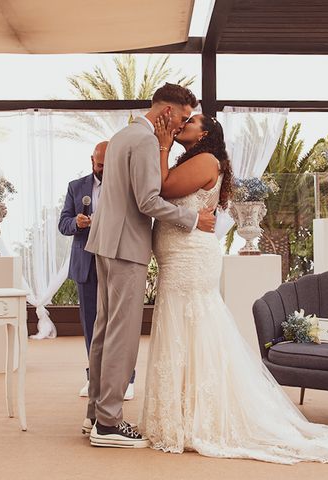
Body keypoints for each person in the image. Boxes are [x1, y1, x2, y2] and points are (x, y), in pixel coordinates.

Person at [138, 113, 328, 468]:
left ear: (205, 133)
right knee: (183, 329)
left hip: (190, 259)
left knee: (194, 328)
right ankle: (178, 414)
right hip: (178, 258)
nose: (182, 124)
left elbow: (162, 188)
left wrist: (163, 144)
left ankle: (196, 418)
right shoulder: (194, 159)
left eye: (190, 121)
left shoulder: (205, 160)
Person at [84, 83, 216, 448]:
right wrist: (192, 220)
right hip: (126, 246)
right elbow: (147, 201)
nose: (182, 125)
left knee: (104, 329)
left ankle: (95, 413)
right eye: (183, 117)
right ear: (168, 113)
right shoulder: (144, 140)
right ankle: (109, 423)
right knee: (122, 335)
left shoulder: (123, 134)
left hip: (106, 242)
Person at [58, 141, 135, 408]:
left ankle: (128, 380)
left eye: (107, 164)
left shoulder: (126, 185)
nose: (102, 169)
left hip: (117, 260)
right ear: (92, 160)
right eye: (99, 164)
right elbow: (63, 224)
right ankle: (94, 378)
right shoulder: (76, 187)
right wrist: (76, 223)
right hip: (87, 264)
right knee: (91, 325)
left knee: (120, 322)